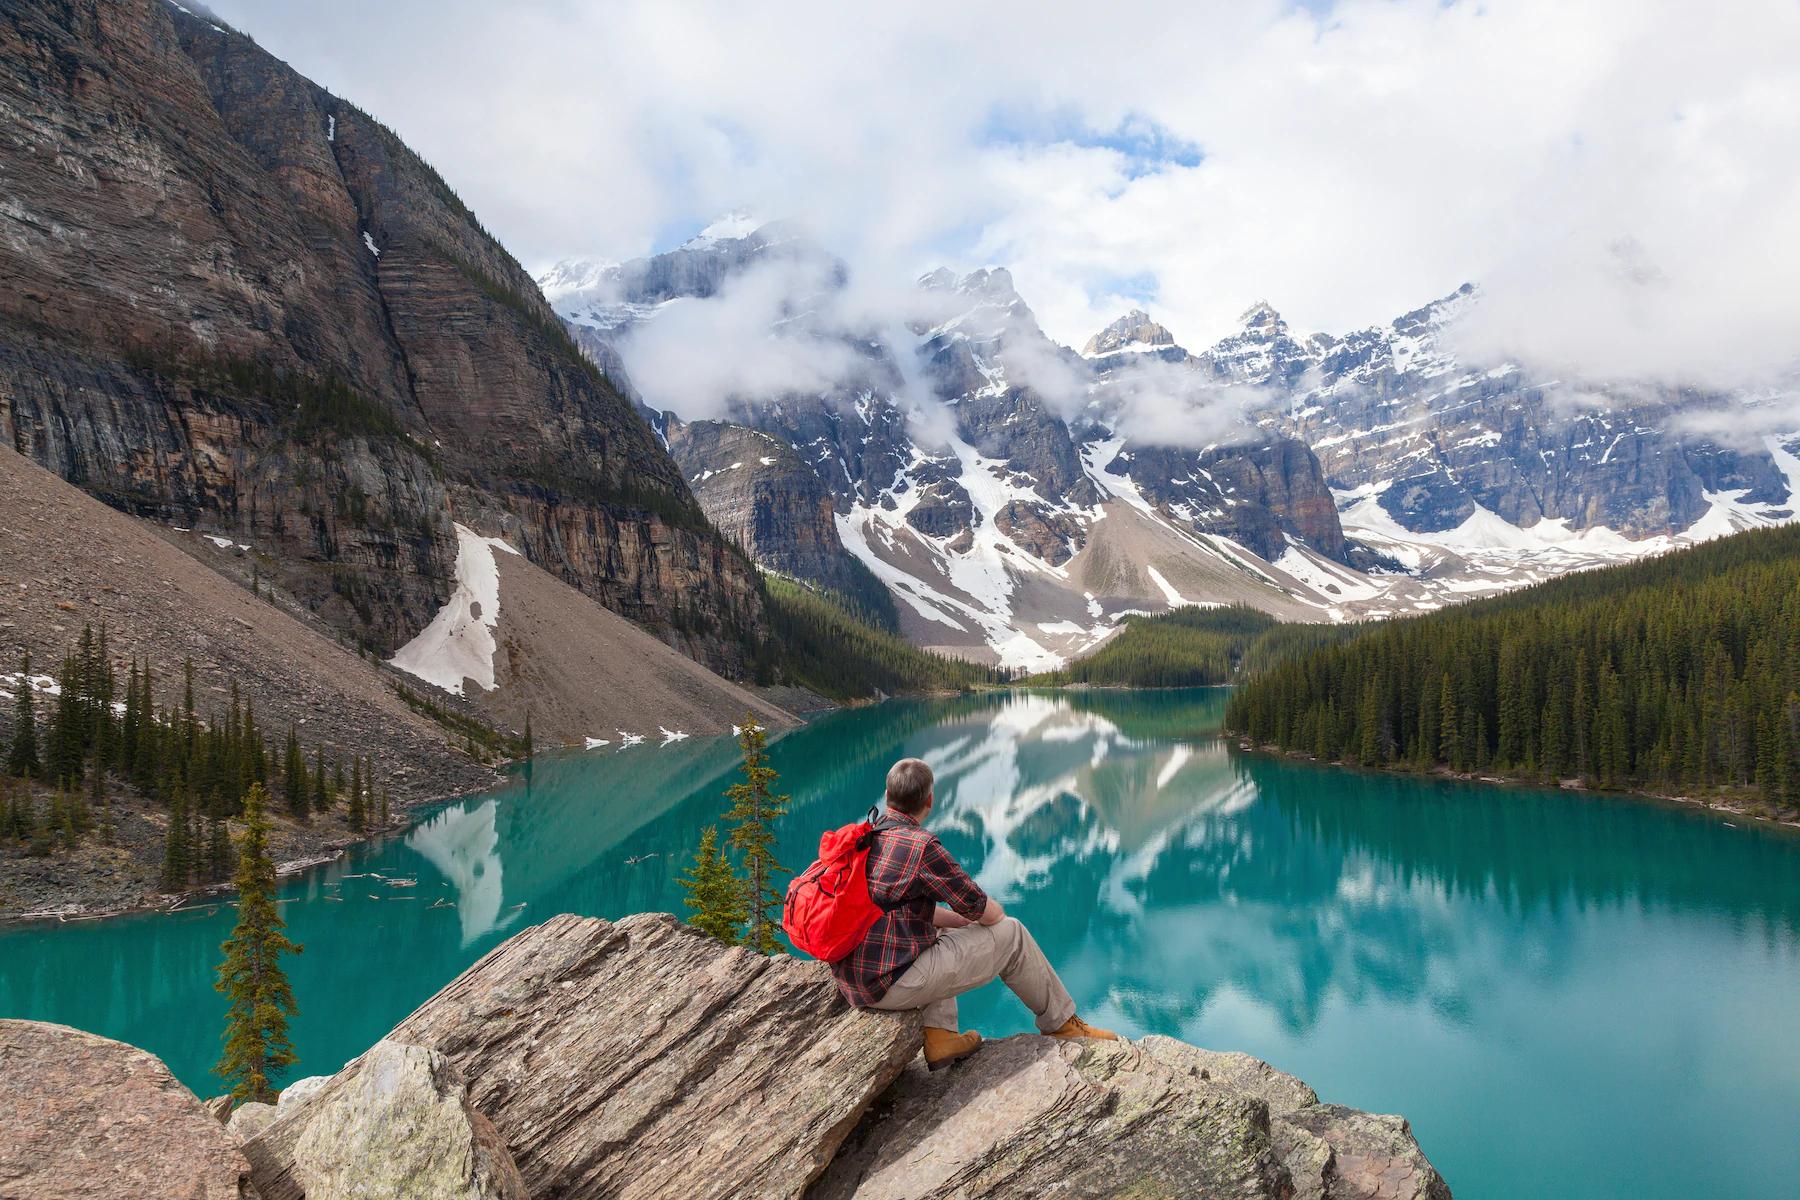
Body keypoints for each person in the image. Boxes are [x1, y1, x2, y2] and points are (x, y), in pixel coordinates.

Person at [831, 756, 1117, 1070]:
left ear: (888, 797)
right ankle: (1062, 1024)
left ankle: (940, 1036)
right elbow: (982, 908)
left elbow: (897, 910)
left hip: (854, 977)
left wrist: (959, 922)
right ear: (929, 800)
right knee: (1014, 934)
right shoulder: (921, 847)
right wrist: (989, 918)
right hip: (888, 984)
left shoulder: (867, 837)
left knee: (944, 931)